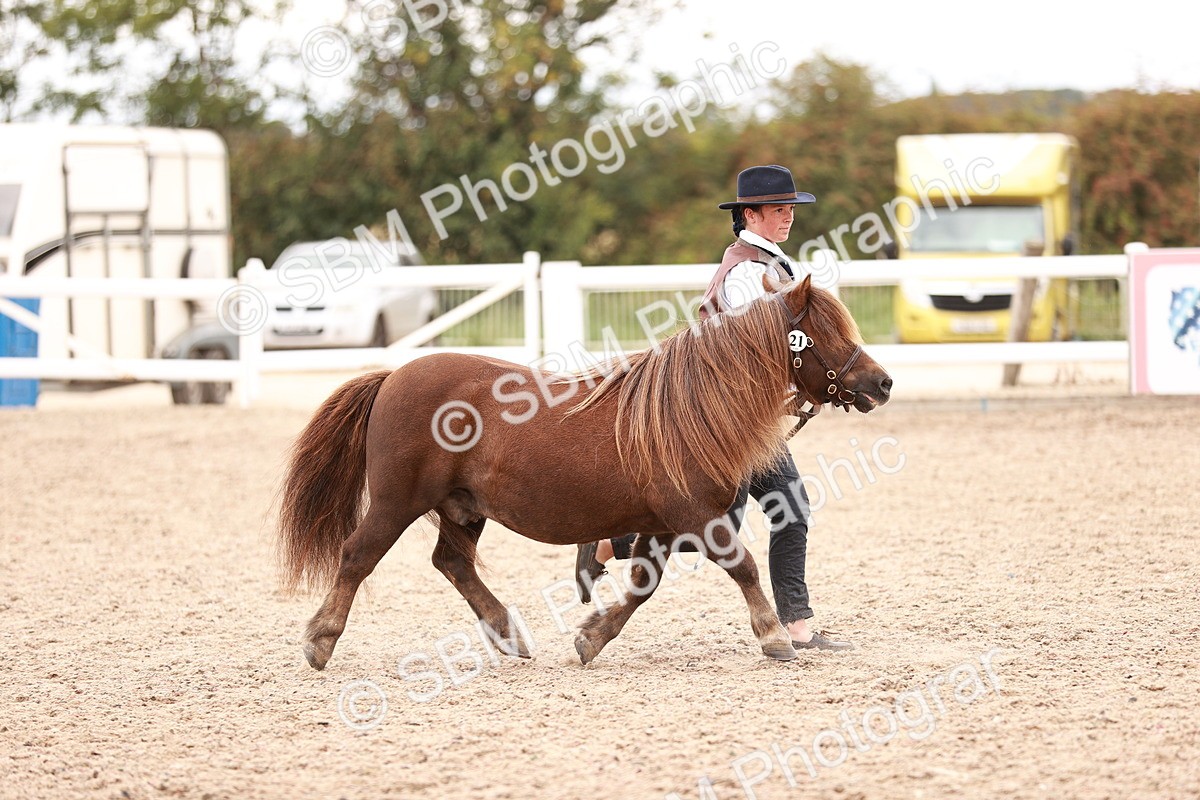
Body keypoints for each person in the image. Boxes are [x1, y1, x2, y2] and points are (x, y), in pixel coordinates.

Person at [574, 164, 852, 651]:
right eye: (778, 210)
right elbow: (755, 346)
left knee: (777, 510)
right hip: (725, 422)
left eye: (790, 209)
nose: (788, 217)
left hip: (742, 418)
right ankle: (606, 544)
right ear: (751, 213)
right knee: (720, 516)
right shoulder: (748, 273)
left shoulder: (772, 263)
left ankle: (795, 624)